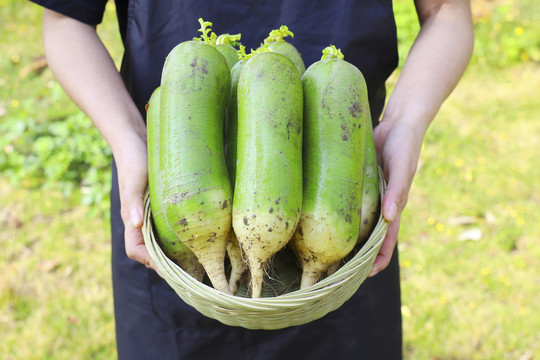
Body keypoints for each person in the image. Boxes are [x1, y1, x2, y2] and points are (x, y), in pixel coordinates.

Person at [31, 0, 473, 358]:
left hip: (347, 185)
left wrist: (405, 123)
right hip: (170, 188)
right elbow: (66, 18)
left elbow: (446, 11)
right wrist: (128, 139)